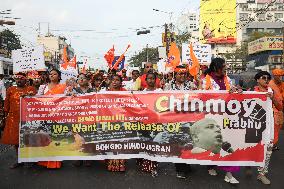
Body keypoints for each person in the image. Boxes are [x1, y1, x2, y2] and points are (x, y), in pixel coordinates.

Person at [202, 57, 240, 184]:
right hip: (212, 117)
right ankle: (210, 165)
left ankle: (229, 173)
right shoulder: (205, 80)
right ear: (216, 67)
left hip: (227, 117)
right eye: (223, 66)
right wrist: (223, 93)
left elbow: (233, 92)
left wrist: (238, 91)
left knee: (229, 143)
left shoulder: (227, 79)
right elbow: (203, 97)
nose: (226, 68)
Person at [164, 65, 197, 179]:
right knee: (177, 143)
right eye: (180, 73)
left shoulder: (191, 85)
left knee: (188, 142)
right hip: (175, 119)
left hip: (188, 118)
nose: (182, 76)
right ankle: (179, 169)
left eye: (184, 74)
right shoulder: (168, 86)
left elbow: (197, 97)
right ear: (175, 74)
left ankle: (186, 164)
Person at [1, 72, 36, 169]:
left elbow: (37, 103)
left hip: (28, 118)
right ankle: (19, 160)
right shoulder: (10, 90)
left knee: (28, 140)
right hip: (13, 119)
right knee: (16, 141)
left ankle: (30, 159)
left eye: (21, 78)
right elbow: (6, 105)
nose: (19, 80)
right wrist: (4, 118)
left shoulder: (31, 89)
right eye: (17, 79)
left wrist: (30, 96)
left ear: (25, 79)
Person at [253, 71, 282, 185]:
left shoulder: (271, 91)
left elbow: (280, 107)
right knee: (254, 149)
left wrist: (273, 98)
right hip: (254, 126)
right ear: (257, 80)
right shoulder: (252, 92)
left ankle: (262, 174)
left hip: (269, 125)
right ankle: (249, 166)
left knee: (268, 149)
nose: (266, 80)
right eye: (263, 78)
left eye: (268, 78)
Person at [37, 69, 66, 169]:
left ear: (59, 76)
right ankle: (44, 161)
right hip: (45, 116)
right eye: (50, 74)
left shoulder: (64, 87)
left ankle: (55, 161)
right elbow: (36, 99)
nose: (52, 75)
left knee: (56, 138)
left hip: (58, 116)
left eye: (55, 74)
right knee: (45, 137)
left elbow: (67, 99)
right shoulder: (43, 87)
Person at [137, 73, 161, 177]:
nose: (151, 81)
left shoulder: (160, 92)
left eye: (153, 79)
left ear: (155, 80)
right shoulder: (142, 93)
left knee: (154, 143)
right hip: (145, 121)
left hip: (156, 121)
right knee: (145, 142)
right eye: (149, 79)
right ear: (145, 80)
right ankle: (146, 164)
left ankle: (153, 165)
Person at [106, 75, 126, 172]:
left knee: (121, 141)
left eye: (117, 80)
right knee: (112, 141)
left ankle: (121, 162)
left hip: (122, 120)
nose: (115, 82)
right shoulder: (105, 93)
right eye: (113, 80)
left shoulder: (125, 92)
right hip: (109, 120)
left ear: (121, 82)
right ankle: (112, 162)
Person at [269, 68, 284, 150]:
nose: (281, 78)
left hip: (280, 109)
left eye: (282, 76)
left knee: (278, 127)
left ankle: (273, 143)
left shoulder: (282, 84)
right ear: (274, 76)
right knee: (274, 127)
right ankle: (272, 144)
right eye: (279, 76)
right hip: (272, 109)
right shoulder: (270, 85)